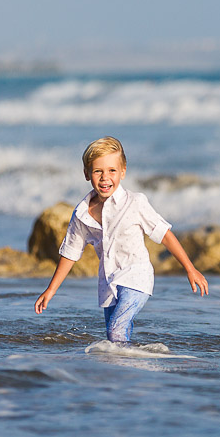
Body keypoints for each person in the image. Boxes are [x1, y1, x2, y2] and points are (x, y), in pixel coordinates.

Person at [34, 136, 208, 342]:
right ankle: (124, 368)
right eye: (98, 171)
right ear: (86, 174)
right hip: (108, 282)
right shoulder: (82, 213)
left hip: (137, 277)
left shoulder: (135, 202)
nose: (105, 177)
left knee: (116, 329)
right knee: (116, 338)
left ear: (123, 171)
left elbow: (165, 235)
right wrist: (51, 290)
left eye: (112, 171)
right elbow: (70, 252)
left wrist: (190, 268)